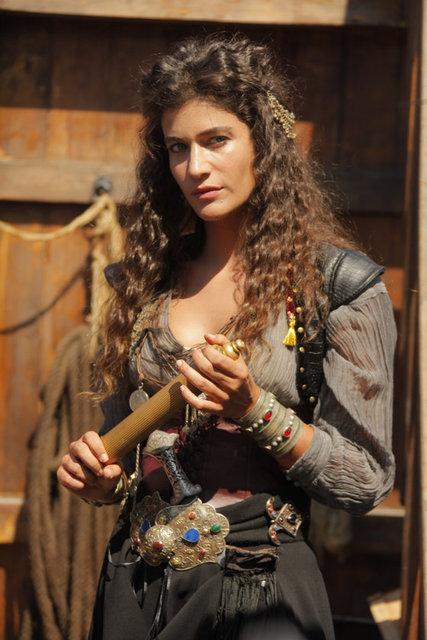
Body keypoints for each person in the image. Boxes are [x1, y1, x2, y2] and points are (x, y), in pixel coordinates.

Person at [57, 33, 396, 640]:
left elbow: (365, 478)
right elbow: (121, 453)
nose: (195, 167)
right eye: (177, 147)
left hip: (259, 589)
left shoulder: (337, 289)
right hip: (137, 586)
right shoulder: (140, 284)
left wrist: (255, 408)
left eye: (216, 140)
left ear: (264, 142)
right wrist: (103, 482)